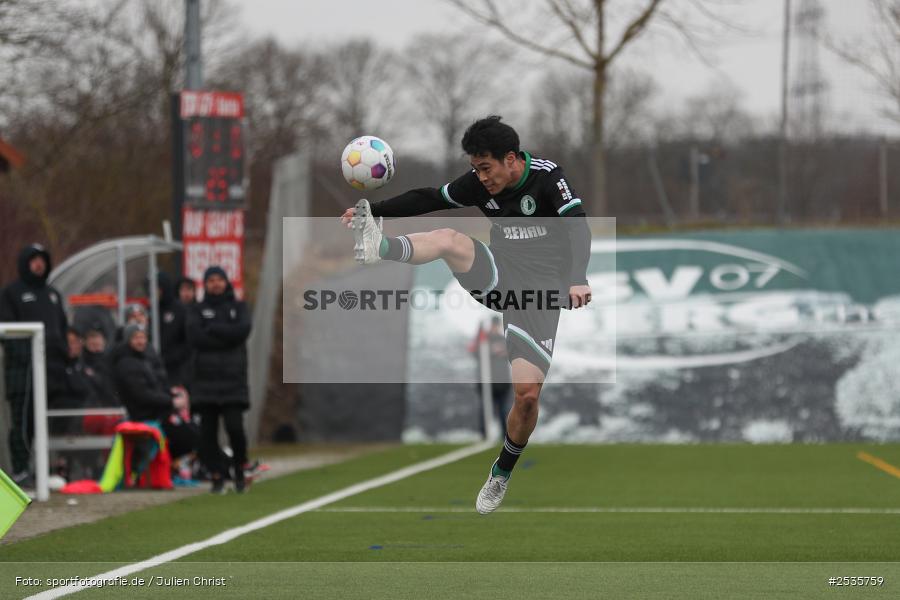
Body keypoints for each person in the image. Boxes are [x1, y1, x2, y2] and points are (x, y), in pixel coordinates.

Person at [341, 116, 592, 514]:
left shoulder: (548, 178)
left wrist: (577, 278)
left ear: (512, 159)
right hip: (500, 275)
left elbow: (577, 227)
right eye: (476, 168)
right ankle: (380, 247)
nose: (481, 177)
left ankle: (502, 470)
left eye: (486, 168)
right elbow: (428, 198)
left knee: (526, 398)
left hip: (538, 297)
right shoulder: (479, 182)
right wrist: (373, 210)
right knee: (449, 240)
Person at [0, 244, 69, 486]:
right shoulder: (11, 293)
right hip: (23, 373)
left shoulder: (53, 294)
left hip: (52, 374)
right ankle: (20, 470)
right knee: (23, 422)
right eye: (34, 260)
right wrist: (27, 358)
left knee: (48, 422)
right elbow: (7, 332)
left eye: (42, 260)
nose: (39, 264)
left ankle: (47, 469)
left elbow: (62, 330)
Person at [186, 266, 252, 494]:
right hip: (205, 381)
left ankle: (240, 468)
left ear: (226, 282)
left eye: (219, 279)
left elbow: (242, 331)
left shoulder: (239, 307)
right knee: (207, 434)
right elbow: (196, 337)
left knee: (235, 429)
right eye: (210, 280)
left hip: (233, 380)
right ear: (205, 284)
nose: (215, 284)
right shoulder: (196, 309)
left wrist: (213, 329)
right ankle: (216, 474)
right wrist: (227, 335)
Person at [109, 323, 197, 462]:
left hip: (158, 411)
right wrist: (171, 402)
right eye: (136, 338)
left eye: (143, 337)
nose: (140, 341)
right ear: (128, 340)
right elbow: (141, 395)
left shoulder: (144, 359)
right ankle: (150, 465)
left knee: (193, 431)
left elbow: (156, 386)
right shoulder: (126, 364)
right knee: (189, 436)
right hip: (146, 415)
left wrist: (173, 395)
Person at [469, 316, 512, 439]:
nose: (495, 327)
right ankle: (484, 434)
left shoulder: (505, 339)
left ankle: (505, 436)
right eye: (493, 325)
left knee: (504, 410)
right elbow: (474, 351)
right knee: (485, 409)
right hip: (487, 382)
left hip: (503, 382)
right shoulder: (484, 340)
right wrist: (479, 333)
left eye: (497, 325)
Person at [152, 272, 191, 387]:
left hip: (177, 370)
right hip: (155, 368)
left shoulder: (180, 310)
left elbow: (188, 341)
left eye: (156, 288)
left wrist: (172, 357)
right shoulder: (151, 310)